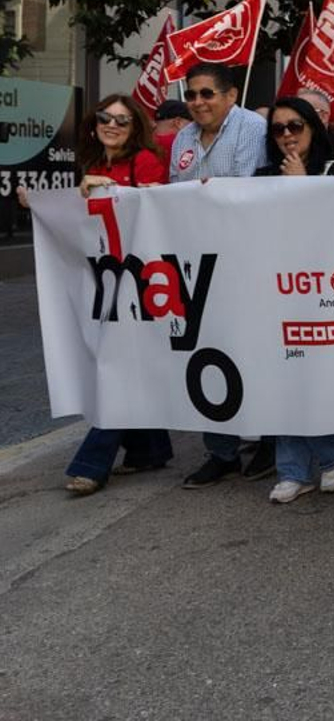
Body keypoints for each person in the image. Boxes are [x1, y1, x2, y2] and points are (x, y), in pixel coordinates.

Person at [58, 97, 174, 495]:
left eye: (122, 121)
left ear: (134, 128)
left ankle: (91, 463)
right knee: (125, 362)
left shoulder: (144, 161)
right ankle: (149, 449)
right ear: (94, 124)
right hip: (108, 278)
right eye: (105, 118)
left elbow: (153, 208)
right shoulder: (95, 163)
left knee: (117, 367)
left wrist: (111, 189)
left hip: (141, 278)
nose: (112, 125)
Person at [168, 64, 272, 489]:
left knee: (254, 351)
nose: (197, 102)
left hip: (246, 259)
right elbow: (174, 193)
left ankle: (270, 439)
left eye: (207, 93)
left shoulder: (251, 128)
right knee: (208, 351)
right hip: (197, 260)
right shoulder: (183, 138)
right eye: (191, 95)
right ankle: (221, 452)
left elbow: (245, 189)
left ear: (230, 95)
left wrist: (207, 195)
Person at [254, 98, 334, 502]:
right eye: (279, 129)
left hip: (322, 289)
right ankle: (291, 470)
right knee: (283, 378)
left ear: (313, 127)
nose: (287, 135)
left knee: (318, 376)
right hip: (275, 289)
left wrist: (301, 184)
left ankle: (332, 456)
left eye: (296, 126)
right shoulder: (261, 176)